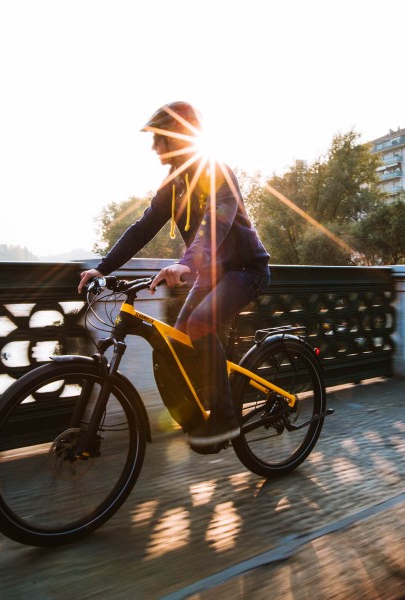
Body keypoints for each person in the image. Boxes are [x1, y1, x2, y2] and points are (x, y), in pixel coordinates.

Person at [78, 101, 271, 453]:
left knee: (198, 324)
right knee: (181, 336)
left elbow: (217, 220)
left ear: (177, 135)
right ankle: (202, 405)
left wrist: (187, 261)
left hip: (246, 270)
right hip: (211, 273)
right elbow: (142, 229)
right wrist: (103, 268)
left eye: (158, 139)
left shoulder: (216, 171)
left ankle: (225, 418)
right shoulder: (175, 184)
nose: (154, 147)